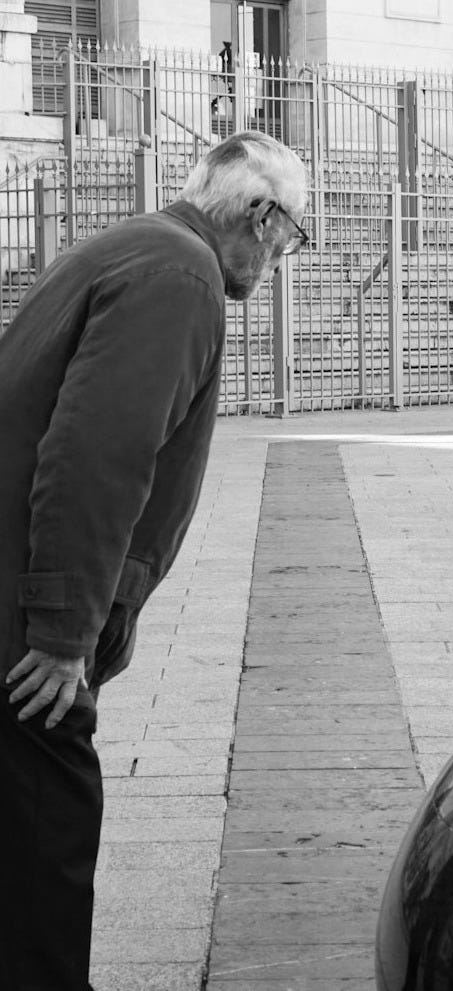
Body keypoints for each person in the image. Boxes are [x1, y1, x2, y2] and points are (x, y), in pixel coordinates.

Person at [0, 130, 308, 991]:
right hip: (23, 631)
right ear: (259, 216)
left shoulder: (139, 245)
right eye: (292, 236)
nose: (284, 259)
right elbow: (96, 456)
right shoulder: (179, 277)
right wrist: (63, 632)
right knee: (45, 836)